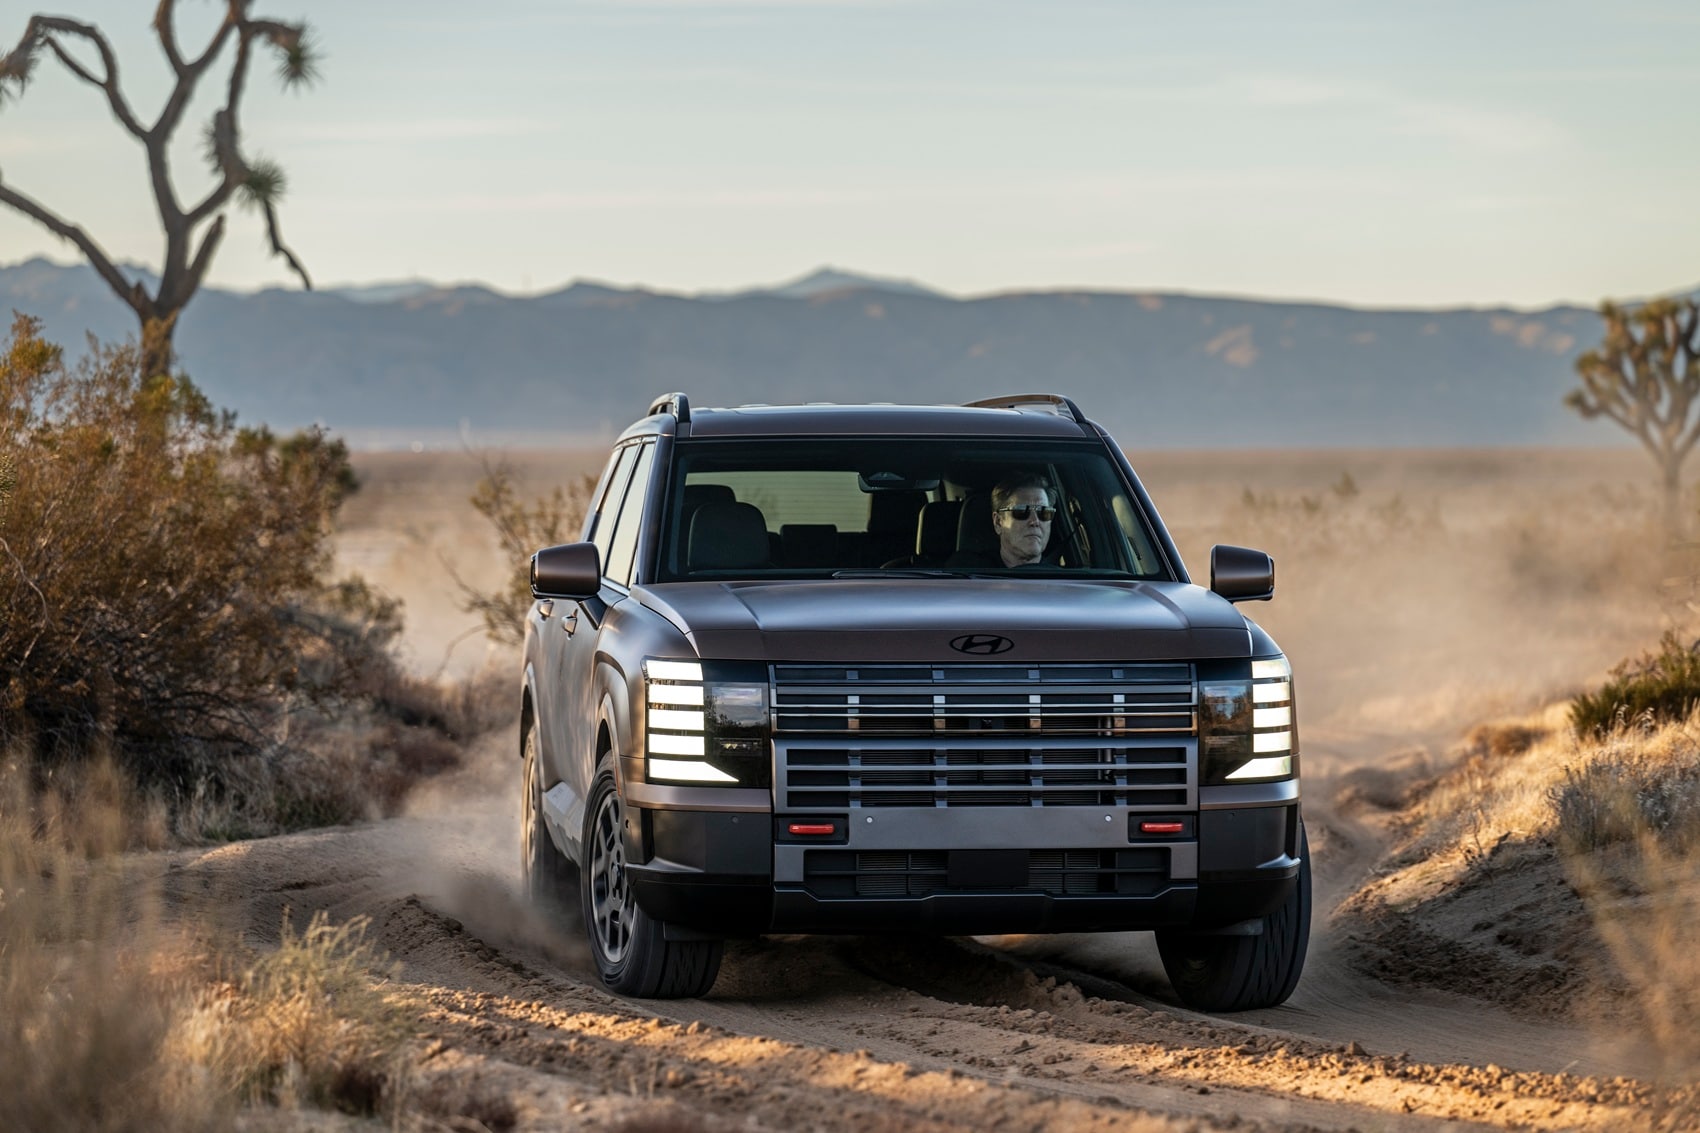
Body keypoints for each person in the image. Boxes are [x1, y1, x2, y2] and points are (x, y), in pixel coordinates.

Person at [948, 471, 1058, 568]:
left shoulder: (1063, 581)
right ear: (998, 522)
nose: (1035, 521)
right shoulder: (964, 573)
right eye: (1021, 511)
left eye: (1044, 512)